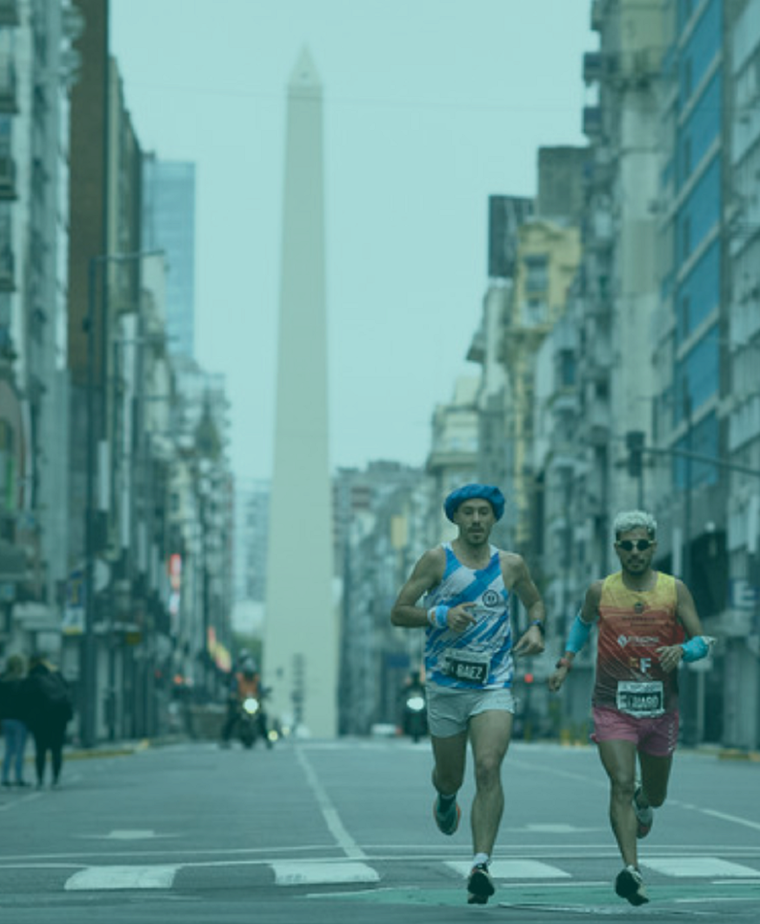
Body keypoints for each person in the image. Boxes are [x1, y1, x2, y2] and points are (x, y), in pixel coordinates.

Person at [391, 483, 546, 905]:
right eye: (468, 513)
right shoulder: (436, 560)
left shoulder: (511, 564)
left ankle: (480, 862)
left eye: (484, 512)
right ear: (455, 518)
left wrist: (536, 627)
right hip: (444, 686)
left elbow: (535, 602)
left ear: (494, 517)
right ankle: (445, 799)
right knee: (450, 776)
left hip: (493, 684)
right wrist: (442, 614)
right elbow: (399, 611)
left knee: (488, 766)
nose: (476, 520)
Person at [548, 510, 712, 907]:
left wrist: (683, 649)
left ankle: (644, 803)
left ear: (653, 547)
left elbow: (703, 640)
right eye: (627, 545)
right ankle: (631, 870)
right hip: (612, 706)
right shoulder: (600, 590)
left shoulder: (675, 590)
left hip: (661, 709)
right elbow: (582, 623)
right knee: (621, 781)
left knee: (654, 794)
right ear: (617, 549)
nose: (635, 552)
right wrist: (567, 661)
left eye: (642, 545)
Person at [23, 654, 74, 789]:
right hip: (58, 721)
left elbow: (26, 703)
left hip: (40, 722)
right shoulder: (57, 677)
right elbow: (67, 697)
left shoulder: (32, 680)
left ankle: (40, 779)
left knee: (40, 751)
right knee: (57, 751)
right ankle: (55, 779)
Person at [221, 657, 271, 748]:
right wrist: (232, 695)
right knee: (232, 718)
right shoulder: (238, 678)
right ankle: (225, 739)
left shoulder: (256, 679)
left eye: (251, 673)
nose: (249, 675)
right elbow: (233, 689)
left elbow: (261, 689)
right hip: (241, 702)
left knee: (262, 717)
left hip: (254, 702)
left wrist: (264, 694)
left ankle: (267, 740)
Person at [0, 654, 30, 788]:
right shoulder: (22, 683)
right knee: (19, 751)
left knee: (8, 750)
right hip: (20, 720)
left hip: (5, 720)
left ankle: (5, 777)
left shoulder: (2, 682)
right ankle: (18, 777)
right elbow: (26, 704)